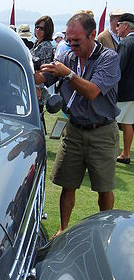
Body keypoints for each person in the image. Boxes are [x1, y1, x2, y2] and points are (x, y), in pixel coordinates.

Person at [35, 12, 121, 237]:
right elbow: (42, 78)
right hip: (74, 128)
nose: (71, 45)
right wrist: (26, 69)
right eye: (68, 40)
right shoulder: (68, 58)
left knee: (104, 188)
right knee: (68, 183)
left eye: (76, 41)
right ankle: (63, 229)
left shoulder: (108, 58)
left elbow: (92, 91)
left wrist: (68, 74)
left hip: (101, 130)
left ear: (93, 35)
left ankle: (104, 233)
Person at [115, 12, 134, 164]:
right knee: (127, 122)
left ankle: (116, 152)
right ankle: (125, 154)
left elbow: (118, 68)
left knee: (111, 122)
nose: (116, 28)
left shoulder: (126, 43)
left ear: (126, 26)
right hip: (132, 92)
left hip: (124, 91)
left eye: (118, 25)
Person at [32, 16, 55, 130]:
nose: (38, 30)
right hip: (33, 84)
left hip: (39, 87)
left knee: (38, 117)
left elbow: (45, 70)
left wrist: (38, 87)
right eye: (37, 27)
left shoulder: (46, 46)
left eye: (41, 28)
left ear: (47, 31)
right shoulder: (37, 44)